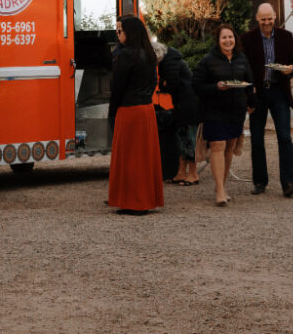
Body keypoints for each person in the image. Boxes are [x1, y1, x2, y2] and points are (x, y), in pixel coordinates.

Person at [240, 3, 293, 197]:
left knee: (284, 137)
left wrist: (290, 70)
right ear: (257, 19)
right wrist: (249, 93)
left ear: (275, 17)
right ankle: (260, 181)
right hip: (258, 94)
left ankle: (289, 183)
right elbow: (244, 68)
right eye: (263, 19)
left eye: (270, 18)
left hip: (279, 92)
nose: (267, 22)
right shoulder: (247, 39)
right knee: (257, 138)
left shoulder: (286, 37)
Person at [192, 24, 255, 206]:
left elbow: (249, 83)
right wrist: (215, 87)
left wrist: (251, 102)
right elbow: (196, 84)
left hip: (236, 110)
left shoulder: (242, 59)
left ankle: (223, 185)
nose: (228, 40)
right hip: (214, 110)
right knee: (218, 145)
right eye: (224, 38)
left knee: (229, 147)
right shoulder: (208, 60)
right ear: (218, 41)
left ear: (235, 39)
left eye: (231, 37)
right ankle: (219, 189)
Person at [107, 15, 164, 215]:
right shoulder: (148, 54)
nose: (117, 34)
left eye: (120, 30)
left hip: (129, 110)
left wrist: (112, 111)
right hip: (146, 110)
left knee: (129, 158)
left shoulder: (124, 55)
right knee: (143, 158)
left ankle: (133, 202)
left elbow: (117, 87)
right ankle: (143, 199)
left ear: (129, 32)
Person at [152, 41, 200, 186]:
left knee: (187, 139)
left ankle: (193, 173)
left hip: (187, 105)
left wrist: (161, 86)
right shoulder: (171, 59)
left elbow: (172, 84)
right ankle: (180, 172)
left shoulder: (168, 63)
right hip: (184, 104)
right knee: (181, 138)